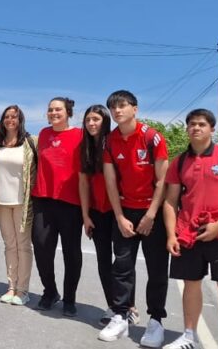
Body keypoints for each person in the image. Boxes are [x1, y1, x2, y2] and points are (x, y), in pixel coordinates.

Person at [162, 109, 218, 349]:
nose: (196, 128)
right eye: (192, 124)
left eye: (202, 124)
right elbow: (170, 201)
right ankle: (189, 337)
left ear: (212, 129)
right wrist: (171, 234)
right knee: (190, 285)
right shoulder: (179, 162)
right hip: (189, 235)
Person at [98, 90, 170, 347]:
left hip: (154, 213)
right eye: (113, 107)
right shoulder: (110, 141)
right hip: (126, 211)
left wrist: (151, 215)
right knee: (122, 266)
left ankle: (156, 321)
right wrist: (119, 216)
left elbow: (164, 180)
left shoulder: (152, 137)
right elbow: (110, 182)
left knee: (157, 269)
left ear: (135, 109)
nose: (117, 111)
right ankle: (120, 315)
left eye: (123, 105)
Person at [79, 104, 138, 326]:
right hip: (97, 212)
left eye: (96, 119)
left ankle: (129, 306)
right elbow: (83, 183)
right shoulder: (84, 148)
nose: (92, 124)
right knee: (103, 261)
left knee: (123, 261)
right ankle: (113, 306)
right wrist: (86, 215)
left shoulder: (114, 142)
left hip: (119, 210)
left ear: (105, 121)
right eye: (88, 120)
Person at [32, 97, 85, 316]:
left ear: (68, 112)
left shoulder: (80, 135)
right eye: (50, 110)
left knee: (71, 252)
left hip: (71, 202)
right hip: (43, 199)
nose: (53, 113)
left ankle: (69, 298)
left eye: (58, 110)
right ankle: (50, 291)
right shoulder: (44, 134)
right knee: (42, 247)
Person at [0, 105, 36, 306]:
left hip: (23, 203)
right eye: (6, 116)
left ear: (20, 119)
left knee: (23, 246)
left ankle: (23, 289)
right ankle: (11, 287)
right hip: (1, 202)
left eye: (14, 116)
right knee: (10, 245)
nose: (10, 119)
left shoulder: (29, 142)